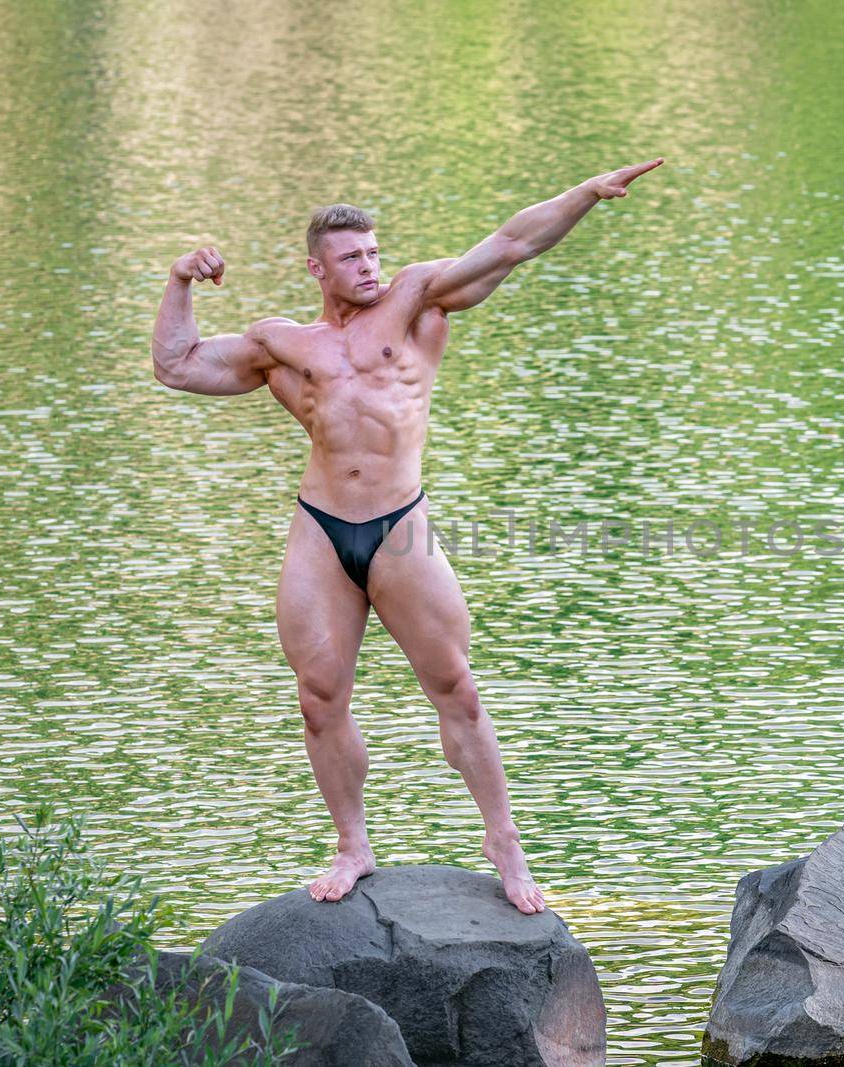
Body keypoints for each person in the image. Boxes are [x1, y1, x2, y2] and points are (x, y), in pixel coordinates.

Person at [149, 158, 664, 914]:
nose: (369, 267)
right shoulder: (281, 342)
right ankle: (353, 844)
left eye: (373, 252)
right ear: (316, 267)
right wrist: (180, 281)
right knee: (319, 697)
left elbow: (513, 243)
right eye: (352, 257)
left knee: (455, 687)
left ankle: (505, 842)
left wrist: (585, 193)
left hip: (399, 527)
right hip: (321, 529)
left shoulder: (419, 298)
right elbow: (176, 366)